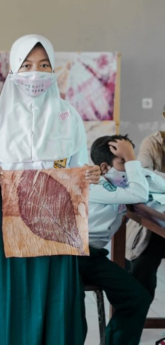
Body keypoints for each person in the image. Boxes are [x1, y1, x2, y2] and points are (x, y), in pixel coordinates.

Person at [0, 34, 101, 345]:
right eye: (27, 64)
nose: (36, 73)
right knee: (6, 295)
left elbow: (78, 168)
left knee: (52, 295)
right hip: (4, 217)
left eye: (44, 65)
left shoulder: (68, 116)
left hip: (55, 219)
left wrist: (90, 174)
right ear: (14, 67)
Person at [81, 134, 162, 344]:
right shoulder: (96, 184)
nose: (130, 167)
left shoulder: (119, 181)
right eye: (124, 161)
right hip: (72, 255)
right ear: (106, 166)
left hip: (93, 257)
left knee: (136, 299)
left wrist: (131, 161)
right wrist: (132, 159)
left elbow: (150, 179)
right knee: (73, 316)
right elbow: (139, 194)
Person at [126, 105, 165, 298]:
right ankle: (135, 318)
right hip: (153, 224)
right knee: (142, 272)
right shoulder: (153, 142)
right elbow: (144, 174)